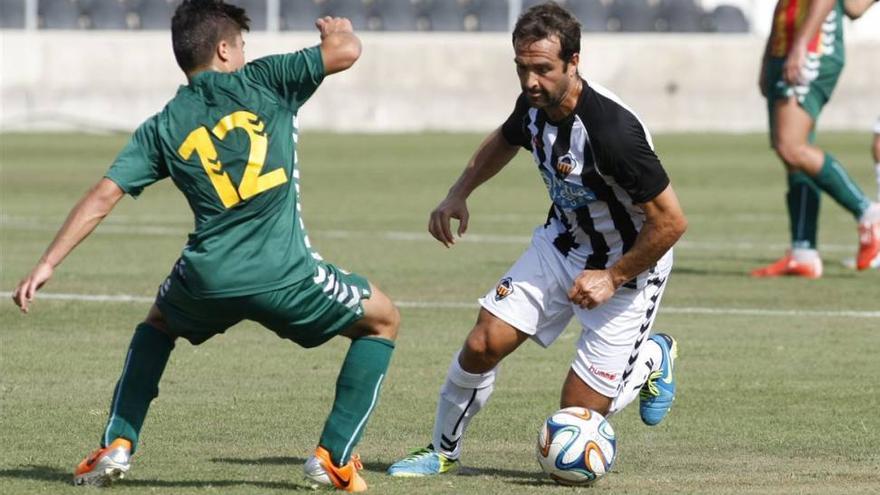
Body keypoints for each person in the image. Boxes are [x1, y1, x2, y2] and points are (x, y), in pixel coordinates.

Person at [11, 1, 397, 491]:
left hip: (206, 277)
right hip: (285, 274)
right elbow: (345, 51)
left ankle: (118, 442)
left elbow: (103, 196)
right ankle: (333, 456)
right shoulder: (267, 79)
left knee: (157, 325)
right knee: (383, 320)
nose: (243, 53)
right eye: (241, 45)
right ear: (223, 49)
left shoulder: (165, 123)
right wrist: (337, 29)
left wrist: (47, 263)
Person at [386, 2, 687, 478]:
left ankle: (651, 358)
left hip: (629, 267)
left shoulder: (611, 132)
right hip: (561, 245)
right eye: (522, 68)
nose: (530, 82)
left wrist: (612, 276)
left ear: (574, 62)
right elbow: (506, 138)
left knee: (575, 415)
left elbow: (671, 222)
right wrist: (457, 194)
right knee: (483, 343)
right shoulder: (534, 103)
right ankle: (443, 452)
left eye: (542, 69)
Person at [753, 0, 880, 278]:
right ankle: (803, 253)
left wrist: (800, 45)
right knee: (793, 152)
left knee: (791, 146)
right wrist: (768, 56)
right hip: (787, 45)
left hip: (812, 47)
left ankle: (869, 214)